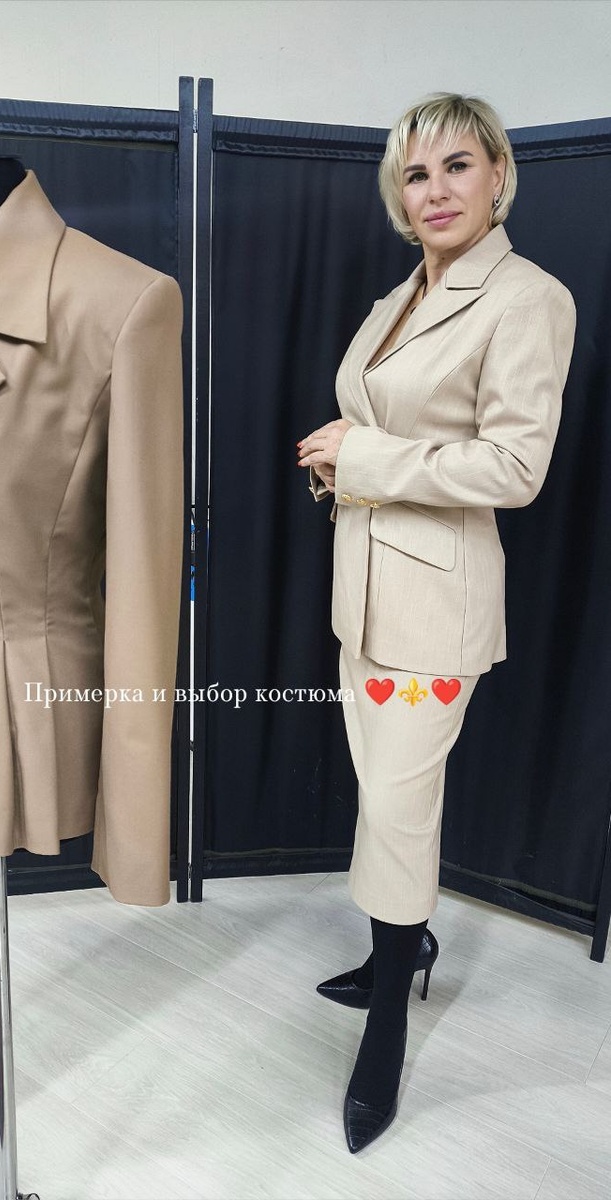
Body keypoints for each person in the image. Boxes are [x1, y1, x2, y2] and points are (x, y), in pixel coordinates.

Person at [297, 92, 576, 1154]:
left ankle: (385, 1024)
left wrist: (361, 456)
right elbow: (383, 426)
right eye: (416, 174)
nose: (437, 190)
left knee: (401, 807)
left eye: (458, 165)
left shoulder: (527, 298)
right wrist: (342, 466)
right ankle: (398, 952)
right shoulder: (397, 297)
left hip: (433, 610)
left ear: (499, 174)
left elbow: (514, 466)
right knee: (383, 793)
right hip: (363, 595)